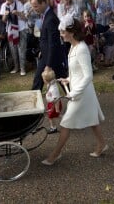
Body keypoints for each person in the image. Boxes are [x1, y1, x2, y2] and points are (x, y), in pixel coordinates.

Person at [42, 15, 107, 166]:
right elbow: (77, 72)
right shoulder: (74, 46)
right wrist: (68, 79)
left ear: (71, 32)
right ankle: (101, 144)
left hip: (81, 93)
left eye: (63, 32)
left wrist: (73, 93)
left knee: (66, 122)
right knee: (92, 120)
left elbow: (88, 75)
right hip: (80, 90)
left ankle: (54, 155)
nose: (61, 34)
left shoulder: (82, 49)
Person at [31, 0, 67, 91]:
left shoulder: (50, 18)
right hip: (46, 55)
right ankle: (34, 104)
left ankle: (75, 99)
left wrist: (48, 65)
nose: (34, 9)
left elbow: (53, 43)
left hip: (52, 58)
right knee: (38, 81)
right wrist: (42, 51)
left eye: (36, 6)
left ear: (43, 3)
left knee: (64, 81)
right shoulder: (46, 15)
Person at [0, 0, 28, 76]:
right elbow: (3, 21)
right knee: (13, 49)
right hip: (10, 30)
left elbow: (25, 17)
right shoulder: (4, 6)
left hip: (21, 28)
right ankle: (16, 67)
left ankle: (22, 68)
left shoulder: (19, 3)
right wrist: (5, 15)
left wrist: (18, 13)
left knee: (21, 49)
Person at [42, 69, 62, 134]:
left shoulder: (53, 89)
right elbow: (55, 80)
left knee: (51, 116)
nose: (43, 80)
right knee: (55, 116)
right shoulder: (51, 82)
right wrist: (46, 92)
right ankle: (66, 119)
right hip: (51, 103)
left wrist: (56, 108)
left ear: (46, 80)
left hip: (54, 105)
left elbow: (57, 99)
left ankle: (53, 128)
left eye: (43, 79)